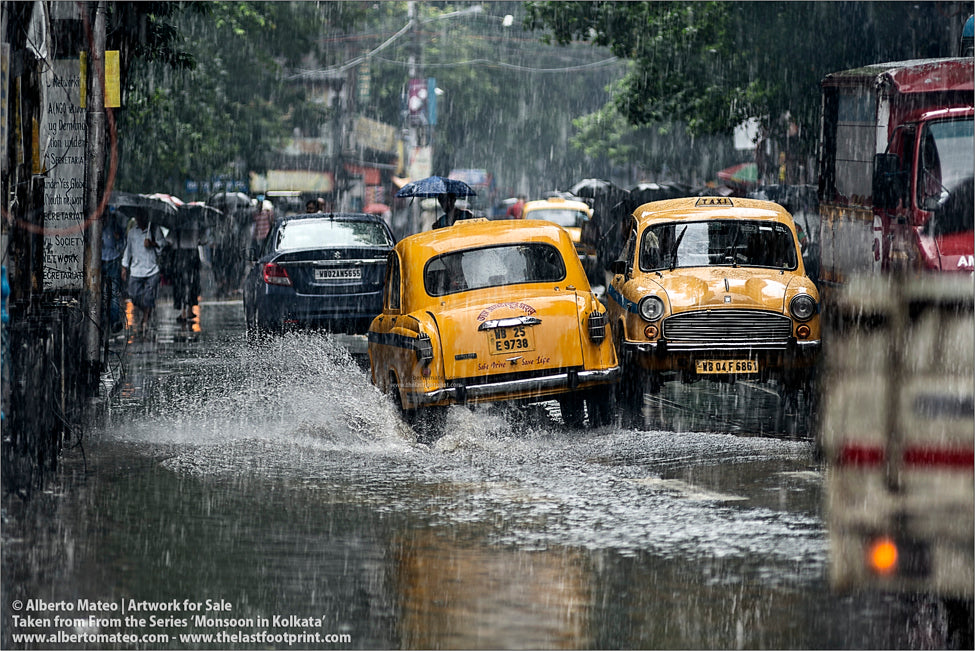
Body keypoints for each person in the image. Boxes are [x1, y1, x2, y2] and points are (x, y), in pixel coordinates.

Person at [121, 211, 166, 336]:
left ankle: (145, 320)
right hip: (136, 270)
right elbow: (128, 250)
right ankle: (147, 311)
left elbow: (163, 244)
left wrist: (152, 243)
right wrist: (124, 267)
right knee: (133, 295)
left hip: (152, 269)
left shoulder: (154, 229)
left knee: (148, 297)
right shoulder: (132, 232)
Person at [167, 217, 204, 323]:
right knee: (193, 282)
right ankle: (189, 309)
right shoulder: (196, 222)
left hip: (179, 255)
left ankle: (183, 310)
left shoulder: (176, 222)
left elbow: (169, 240)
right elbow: (204, 240)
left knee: (180, 283)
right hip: (193, 254)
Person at [101, 206, 126, 333]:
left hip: (112, 260)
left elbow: (122, 242)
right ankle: (101, 319)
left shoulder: (114, 224)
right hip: (98, 261)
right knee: (99, 292)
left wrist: (118, 240)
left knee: (113, 293)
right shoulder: (96, 223)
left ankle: (114, 321)